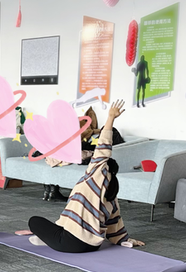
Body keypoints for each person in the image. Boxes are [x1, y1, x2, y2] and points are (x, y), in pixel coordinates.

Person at [15, 100, 144, 254]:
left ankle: (47, 239)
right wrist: (126, 240)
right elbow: (115, 225)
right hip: (92, 246)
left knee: (34, 221)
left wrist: (110, 118)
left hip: (69, 242)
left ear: (101, 167)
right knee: (55, 227)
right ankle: (47, 238)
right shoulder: (112, 197)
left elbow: (103, 148)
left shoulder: (96, 177)